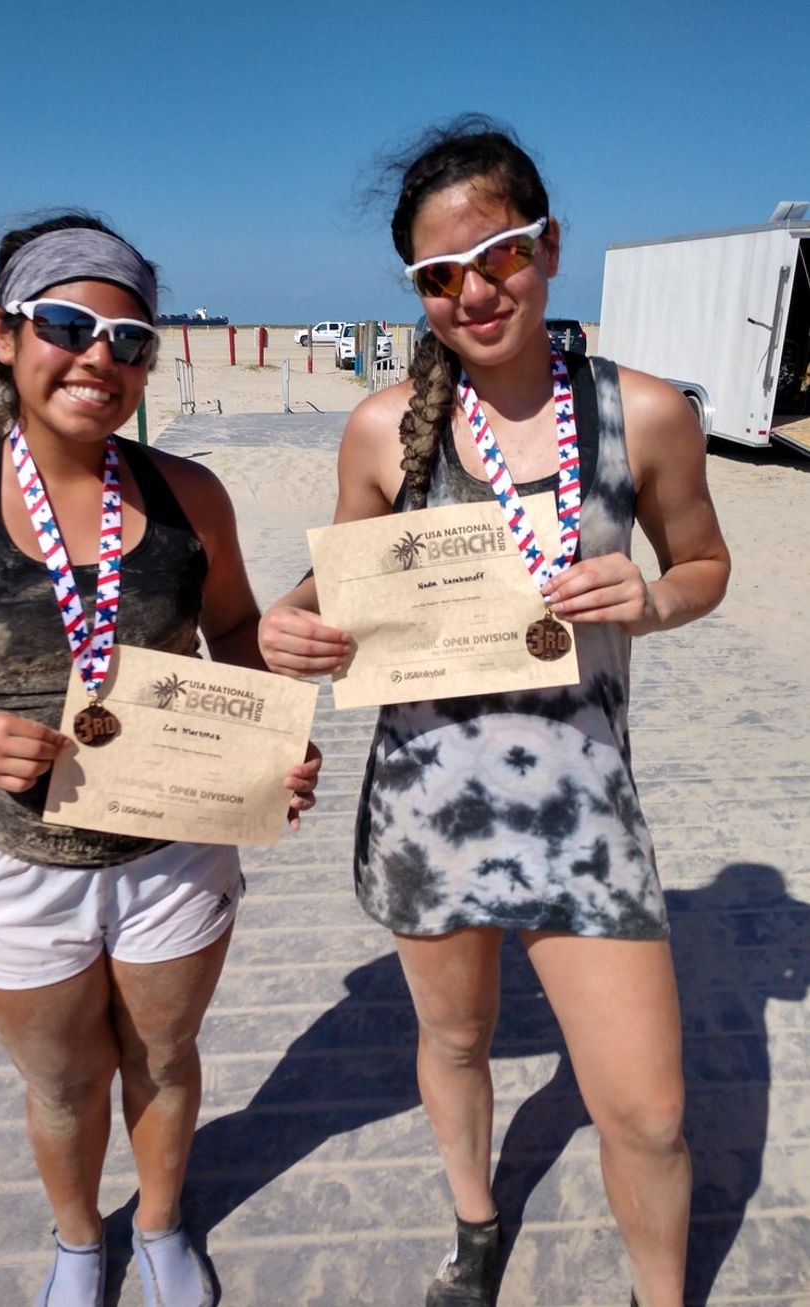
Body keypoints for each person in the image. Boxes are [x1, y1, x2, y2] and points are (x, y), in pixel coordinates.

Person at [258, 117, 731, 1307]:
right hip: (425, 800)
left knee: (649, 1110)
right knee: (456, 1039)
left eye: (499, 254)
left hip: (582, 804)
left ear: (548, 246)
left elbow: (705, 563)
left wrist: (653, 599)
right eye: (438, 275)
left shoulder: (643, 413)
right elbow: (341, 577)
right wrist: (287, 620)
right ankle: (474, 1222)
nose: (473, 292)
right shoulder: (382, 428)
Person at [0, 212, 320, 1307]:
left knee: (164, 1057)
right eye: (67, 325)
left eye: (131, 338)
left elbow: (234, 632)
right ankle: (76, 1239)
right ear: (5, 333)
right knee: (61, 1082)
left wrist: (274, 742)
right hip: (15, 858)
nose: (101, 356)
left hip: (175, 851)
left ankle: (159, 1224)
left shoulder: (188, 492)